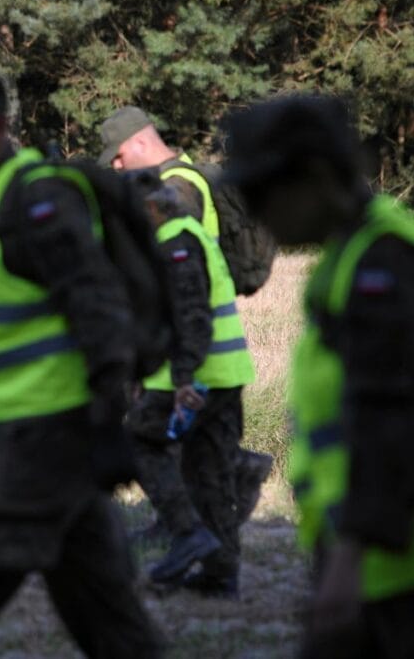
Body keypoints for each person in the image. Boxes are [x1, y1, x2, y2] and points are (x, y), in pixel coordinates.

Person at [0, 69, 162, 658]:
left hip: (45, 445)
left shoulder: (36, 201)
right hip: (24, 439)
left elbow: (99, 313)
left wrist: (104, 429)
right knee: (108, 620)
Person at [224, 95, 414, 659]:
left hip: (390, 566)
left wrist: (350, 559)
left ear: (313, 178)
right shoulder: (352, 250)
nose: (257, 213)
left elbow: (393, 419)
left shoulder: (383, 263)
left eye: (261, 193)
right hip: (371, 556)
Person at [98, 105, 273, 533]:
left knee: (153, 427)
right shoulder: (179, 179)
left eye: (118, 156)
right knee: (179, 430)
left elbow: (171, 263)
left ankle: (191, 515)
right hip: (186, 328)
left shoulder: (178, 186)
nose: (116, 166)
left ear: (140, 141)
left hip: (188, 330)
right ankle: (207, 499)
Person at [126, 184, 255, 597]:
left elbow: (193, 315)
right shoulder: (192, 234)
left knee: (139, 439)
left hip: (194, 377)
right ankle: (222, 574)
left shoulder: (175, 244)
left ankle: (187, 534)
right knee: (209, 471)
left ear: (151, 208)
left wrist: (183, 379)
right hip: (224, 374)